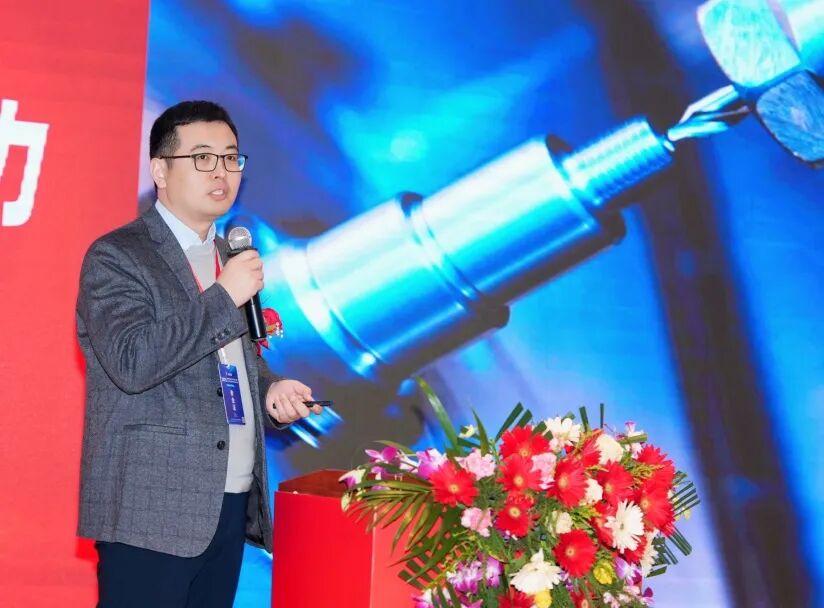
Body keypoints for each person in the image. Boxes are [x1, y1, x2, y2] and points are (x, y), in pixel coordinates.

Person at [75, 100, 321, 608]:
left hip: (228, 500)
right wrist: (225, 295)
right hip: (151, 507)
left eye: (231, 158)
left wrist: (269, 390)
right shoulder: (119, 255)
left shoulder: (230, 257)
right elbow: (133, 361)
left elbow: (227, 361)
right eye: (203, 158)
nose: (221, 172)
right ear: (160, 171)